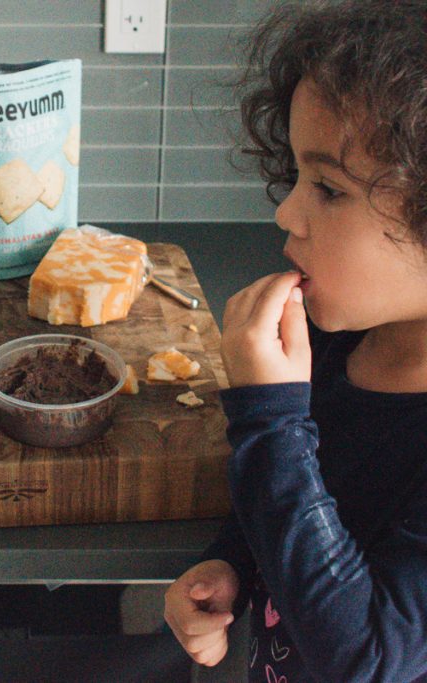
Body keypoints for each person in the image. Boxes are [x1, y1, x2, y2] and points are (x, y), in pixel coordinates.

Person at [163, 2, 427, 681]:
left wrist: (271, 415)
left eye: (330, 190)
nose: (285, 212)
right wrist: (233, 564)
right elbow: (292, 497)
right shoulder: (336, 343)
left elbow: (363, 657)